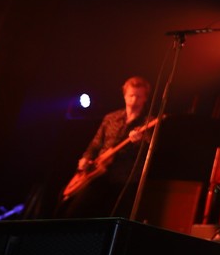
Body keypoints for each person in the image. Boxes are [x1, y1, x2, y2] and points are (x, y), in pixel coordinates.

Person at [61, 76, 155, 218]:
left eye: (138, 96)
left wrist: (138, 141)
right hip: (96, 174)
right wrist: (86, 158)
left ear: (145, 98)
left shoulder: (149, 122)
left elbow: (150, 150)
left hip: (123, 181)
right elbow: (95, 143)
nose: (134, 100)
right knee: (75, 211)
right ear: (124, 95)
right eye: (131, 95)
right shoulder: (111, 118)